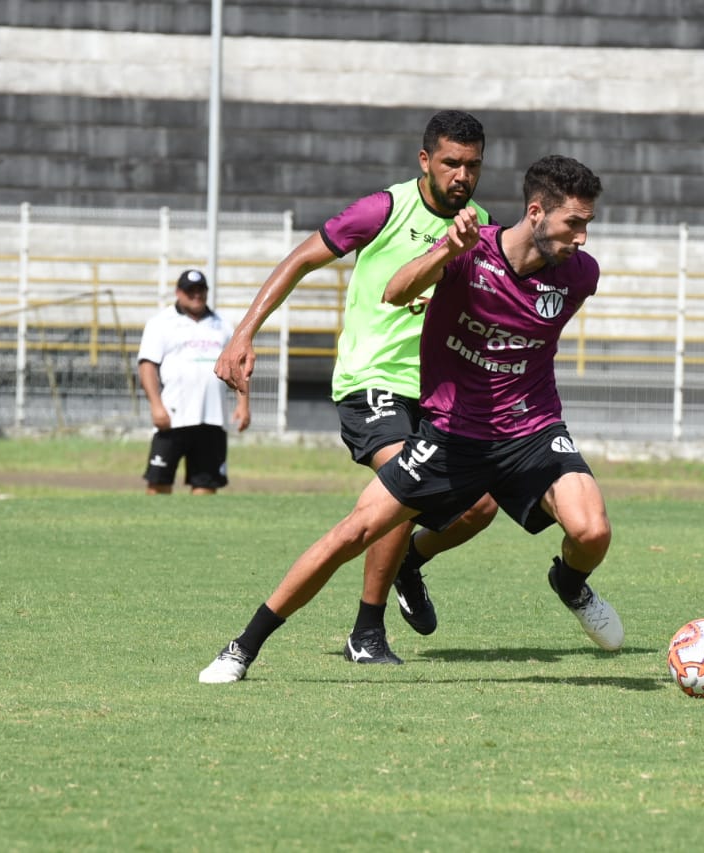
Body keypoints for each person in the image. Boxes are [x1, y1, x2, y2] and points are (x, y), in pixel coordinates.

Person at [199, 154, 623, 684]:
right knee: (355, 532)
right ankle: (243, 646)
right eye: (574, 223)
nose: (583, 237)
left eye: (587, 224)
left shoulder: (581, 275)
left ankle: (570, 583)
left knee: (593, 531)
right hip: (453, 435)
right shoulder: (471, 252)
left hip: (530, 431)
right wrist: (449, 250)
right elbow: (395, 292)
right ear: (535, 213)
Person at [212, 110, 499, 664]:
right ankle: (367, 632)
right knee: (404, 487)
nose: (462, 175)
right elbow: (300, 259)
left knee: (483, 505)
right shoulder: (385, 209)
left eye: (473, 165)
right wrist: (244, 333)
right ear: (426, 161)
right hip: (373, 382)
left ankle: (410, 562)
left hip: (441, 394)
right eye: (451, 163)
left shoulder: (481, 222)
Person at [137, 269, 249, 495]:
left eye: (201, 290)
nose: (196, 295)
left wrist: (243, 404)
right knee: (159, 483)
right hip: (173, 416)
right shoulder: (161, 323)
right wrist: (156, 405)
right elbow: (147, 365)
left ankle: (198, 528)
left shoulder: (222, 325)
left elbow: (238, 365)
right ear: (178, 292)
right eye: (190, 291)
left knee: (206, 486)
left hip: (212, 417)